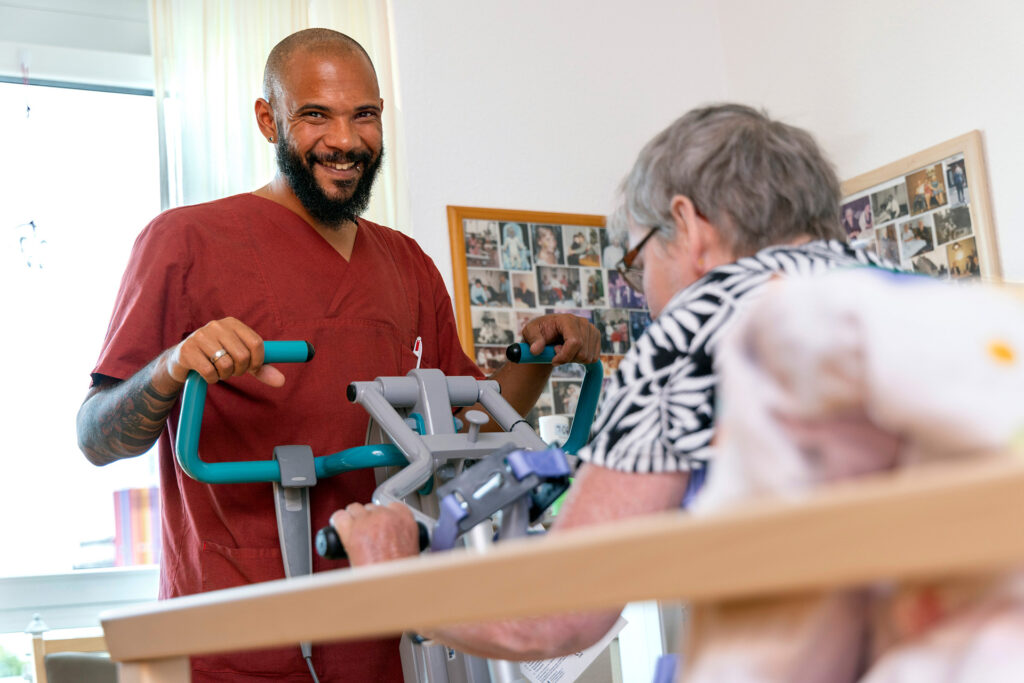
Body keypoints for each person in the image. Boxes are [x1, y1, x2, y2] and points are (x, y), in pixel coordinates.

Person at [75, 28, 599, 682]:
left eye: (365, 115)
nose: (346, 140)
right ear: (269, 120)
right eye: (316, 115)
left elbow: (473, 429)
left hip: (393, 639)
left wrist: (540, 357)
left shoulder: (408, 265)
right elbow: (96, 436)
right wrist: (170, 366)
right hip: (236, 641)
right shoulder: (184, 241)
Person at [328, 103, 893, 662]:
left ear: (690, 226)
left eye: (639, 260)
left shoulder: (691, 342)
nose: (646, 292)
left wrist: (393, 573)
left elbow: (550, 620)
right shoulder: (921, 297)